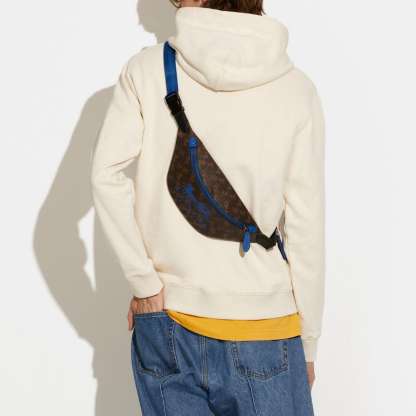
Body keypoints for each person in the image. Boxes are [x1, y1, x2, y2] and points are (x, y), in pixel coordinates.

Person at [91, 0, 325, 414]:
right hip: (264, 327)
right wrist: (308, 342)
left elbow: (105, 176)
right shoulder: (296, 89)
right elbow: (306, 226)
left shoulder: (147, 70)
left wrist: (145, 283)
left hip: (168, 322)